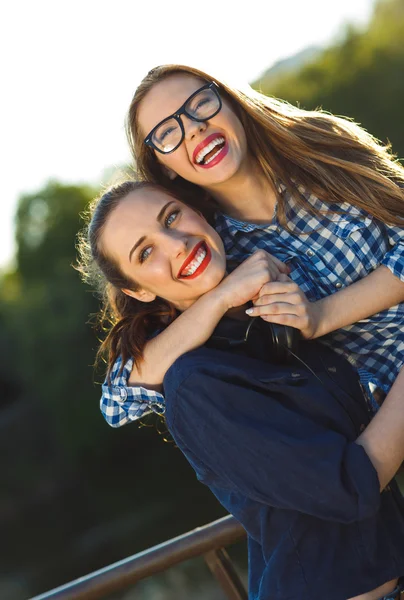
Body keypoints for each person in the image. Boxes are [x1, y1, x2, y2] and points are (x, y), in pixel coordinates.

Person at [78, 181, 404, 600]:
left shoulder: (268, 308)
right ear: (137, 290)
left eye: (171, 216)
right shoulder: (195, 384)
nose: (175, 245)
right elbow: (348, 487)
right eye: (145, 253)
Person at [100, 63, 404, 421]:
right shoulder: (212, 257)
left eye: (199, 104)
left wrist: (322, 315)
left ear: (228, 100)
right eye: (168, 132)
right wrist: (219, 297)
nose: (195, 128)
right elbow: (118, 401)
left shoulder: (320, 144)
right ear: (163, 165)